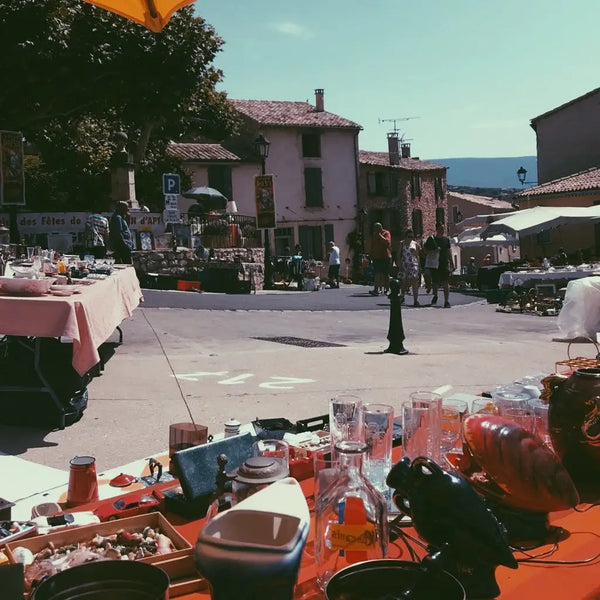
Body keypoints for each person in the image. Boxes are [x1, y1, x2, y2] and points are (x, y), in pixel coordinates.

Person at [430, 223, 453, 308]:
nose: (442, 230)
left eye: (443, 229)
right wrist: (435, 250)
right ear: (437, 229)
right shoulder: (432, 240)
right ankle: (435, 295)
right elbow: (425, 251)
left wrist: (451, 263)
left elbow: (448, 252)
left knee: (445, 282)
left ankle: (446, 301)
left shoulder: (446, 240)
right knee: (435, 282)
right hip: (435, 263)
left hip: (444, 263)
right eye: (440, 229)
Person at [397, 229, 421, 306]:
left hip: (413, 264)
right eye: (409, 236)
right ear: (406, 236)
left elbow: (417, 255)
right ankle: (402, 296)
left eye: (412, 236)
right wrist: (399, 264)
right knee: (405, 282)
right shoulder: (402, 243)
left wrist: (419, 265)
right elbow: (398, 255)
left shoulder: (415, 244)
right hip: (405, 264)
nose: (410, 238)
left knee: (414, 281)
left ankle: (415, 300)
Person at [369, 222, 392, 296]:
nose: (375, 230)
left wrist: (379, 235)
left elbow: (386, 242)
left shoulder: (386, 233)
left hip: (385, 256)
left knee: (386, 274)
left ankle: (387, 289)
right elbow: (372, 245)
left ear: (380, 227)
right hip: (377, 257)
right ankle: (376, 289)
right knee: (377, 273)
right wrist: (371, 254)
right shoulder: (374, 235)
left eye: (377, 228)